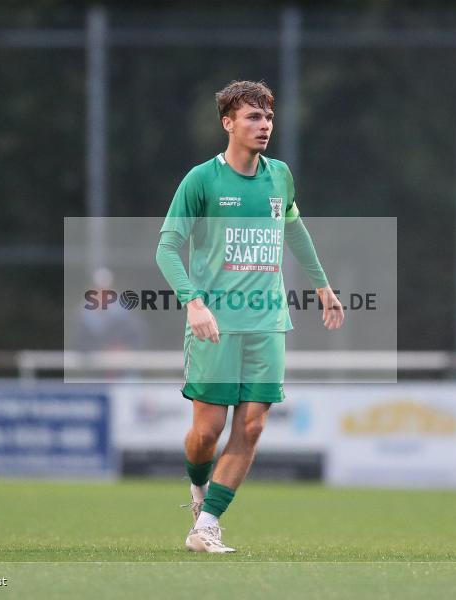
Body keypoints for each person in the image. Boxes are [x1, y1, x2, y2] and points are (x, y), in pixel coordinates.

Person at [155, 80, 343, 553]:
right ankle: (198, 490)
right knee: (206, 433)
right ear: (228, 124)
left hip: (267, 321)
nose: (264, 126)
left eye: (269, 118)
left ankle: (208, 525)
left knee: (254, 425)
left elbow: (294, 229)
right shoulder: (202, 180)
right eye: (253, 118)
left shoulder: (279, 175)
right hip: (215, 325)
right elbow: (167, 247)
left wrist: (322, 284)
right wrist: (193, 302)